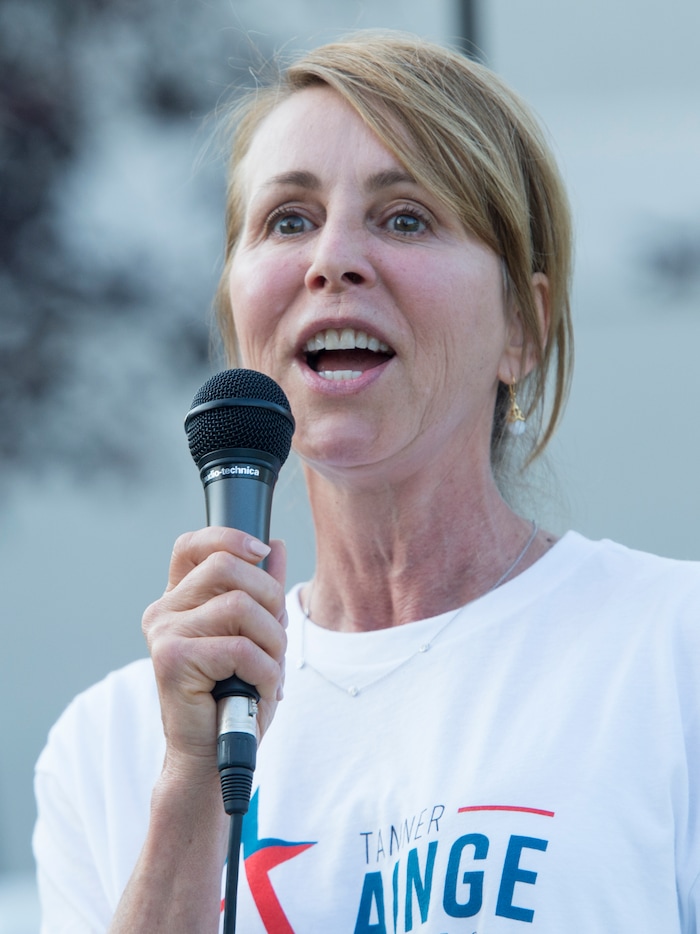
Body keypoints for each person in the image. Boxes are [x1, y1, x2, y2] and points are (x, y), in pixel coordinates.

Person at [33, 30, 700, 933]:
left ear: (523, 328)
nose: (331, 260)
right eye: (289, 220)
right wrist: (192, 787)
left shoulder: (670, 659)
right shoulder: (110, 749)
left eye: (405, 218)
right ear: (238, 318)